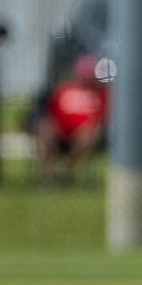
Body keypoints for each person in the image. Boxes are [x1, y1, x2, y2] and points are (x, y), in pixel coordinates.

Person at [34, 54, 108, 187]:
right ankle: (47, 177)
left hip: (84, 135)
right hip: (60, 132)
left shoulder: (100, 94)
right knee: (44, 127)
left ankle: (68, 173)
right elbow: (50, 112)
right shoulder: (64, 88)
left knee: (88, 133)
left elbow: (103, 119)